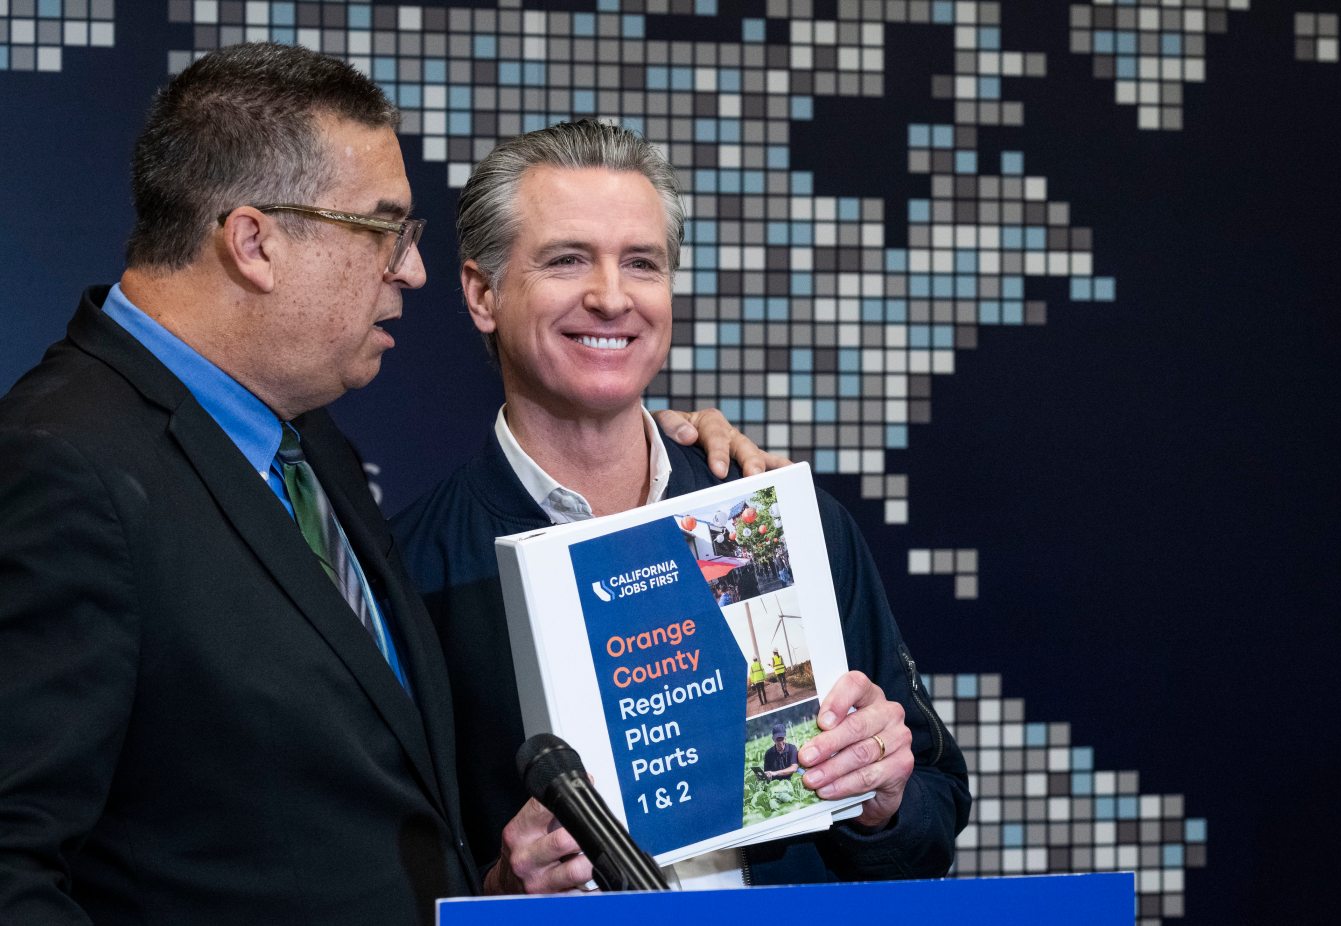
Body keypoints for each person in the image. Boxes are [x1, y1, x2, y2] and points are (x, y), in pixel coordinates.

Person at [0, 47, 771, 926]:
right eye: (383, 230)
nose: (411, 271)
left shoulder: (304, 443)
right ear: (255, 243)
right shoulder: (59, 467)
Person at [393, 119, 970, 894]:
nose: (611, 297)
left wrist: (883, 800)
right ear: (482, 294)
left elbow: (932, 824)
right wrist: (498, 893)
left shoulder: (775, 524)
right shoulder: (406, 576)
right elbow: (371, 879)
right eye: (567, 260)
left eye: (642, 263)